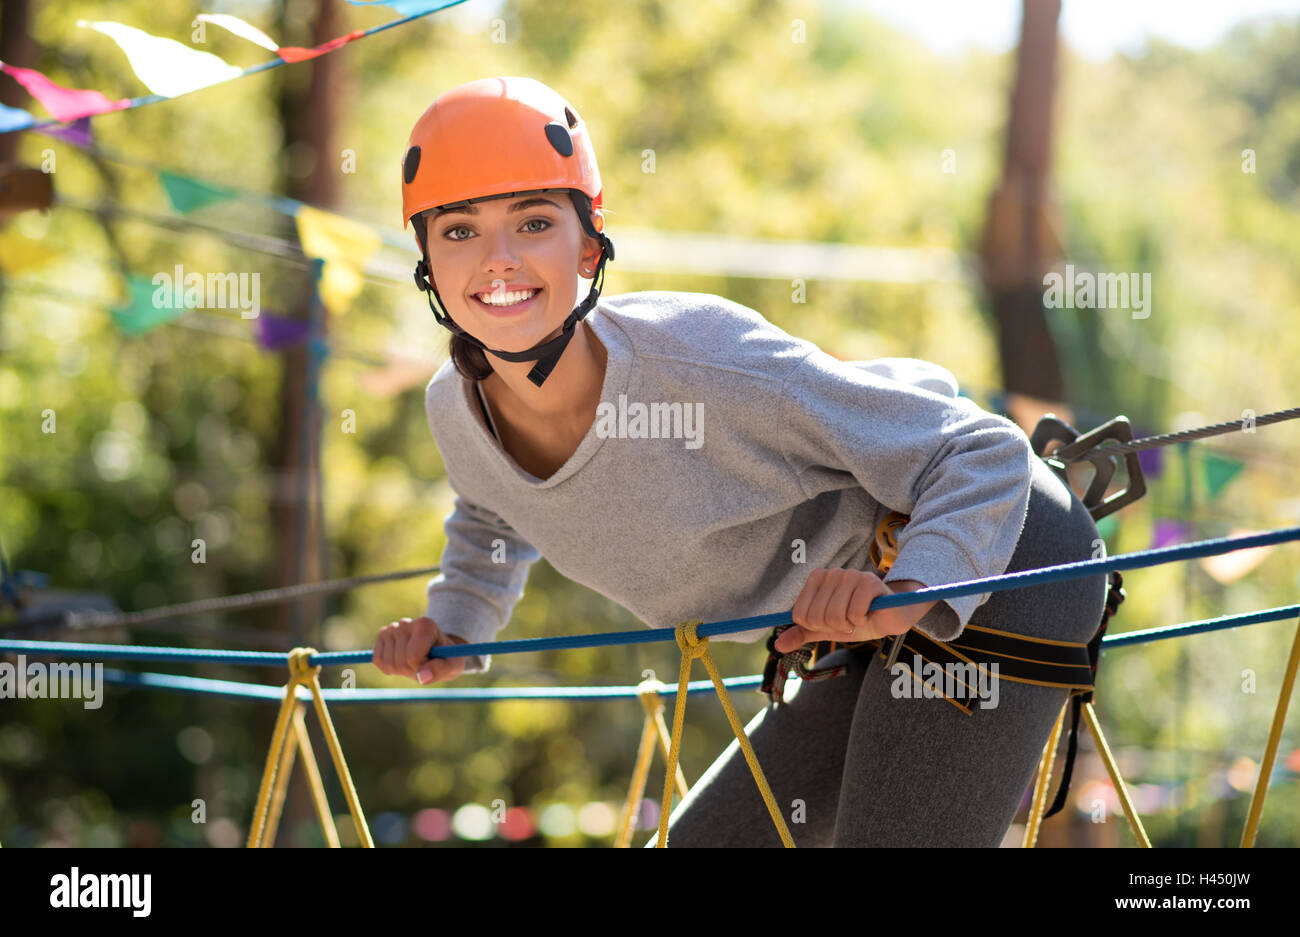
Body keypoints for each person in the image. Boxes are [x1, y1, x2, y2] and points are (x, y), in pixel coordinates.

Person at [371, 76, 1109, 846]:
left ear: (589, 245)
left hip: (1006, 555)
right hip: (851, 625)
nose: (497, 260)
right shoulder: (452, 410)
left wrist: (909, 590)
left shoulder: (702, 361)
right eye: (458, 231)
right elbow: (493, 509)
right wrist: (452, 627)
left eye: (531, 222)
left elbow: (979, 448)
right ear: (424, 258)